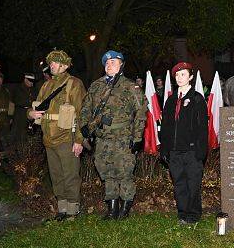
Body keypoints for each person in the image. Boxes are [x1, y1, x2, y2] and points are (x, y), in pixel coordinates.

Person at [79, 50, 147, 220]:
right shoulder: (96, 86)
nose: (109, 65)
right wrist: (84, 127)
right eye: (107, 63)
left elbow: (140, 113)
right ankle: (112, 209)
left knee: (125, 173)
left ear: (121, 65)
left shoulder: (131, 87)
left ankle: (124, 209)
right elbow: (86, 108)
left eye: (113, 62)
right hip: (102, 139)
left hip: (123, 138)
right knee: (107, 173)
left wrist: (137, 138)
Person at [28, 50, 86, 220]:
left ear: (65, 65)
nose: (51, 65)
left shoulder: (74, 84)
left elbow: (82, 114)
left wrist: (79, 140)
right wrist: (30, 114)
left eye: (55, 62)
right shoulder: (46, 86)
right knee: (56, 175)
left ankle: (72, 210)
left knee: (70, 175)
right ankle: (62, 208)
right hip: (48, 138)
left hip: (66, 137)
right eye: (51, 62)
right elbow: (35, 109)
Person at [160, 62, 208, 224]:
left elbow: (202, 127)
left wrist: (201, 151)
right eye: (177, 75)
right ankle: (182, 213)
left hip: (192, 151)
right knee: (179, 182)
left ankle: (193, 214)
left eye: (183, 74)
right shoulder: (171, 100)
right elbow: (165, 127)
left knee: (193, 183)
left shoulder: (197, 99)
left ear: (191, 77)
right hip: (174, 151)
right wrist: (165, 149)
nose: (180, 78)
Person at [12, 73, 39, 143]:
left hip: (32, 114)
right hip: (20, 114)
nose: (31, 82)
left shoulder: (34, 90)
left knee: (31, 134)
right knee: (20, 134)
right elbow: (17, 101)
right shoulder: (18, 89)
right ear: (25, 80)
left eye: (33, 81)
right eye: (30, 81)